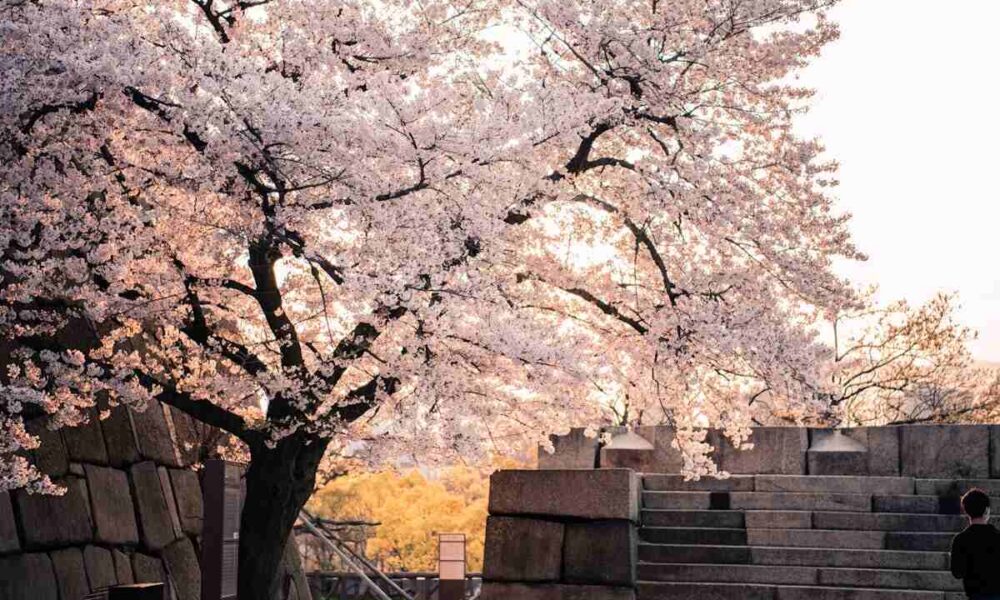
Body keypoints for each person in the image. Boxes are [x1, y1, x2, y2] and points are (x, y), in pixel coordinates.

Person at [951, 488, 1000, 599]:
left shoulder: (960, 539)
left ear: (966, 511)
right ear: (986, 510)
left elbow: (957, 572)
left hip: (974, 594)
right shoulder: (998, 537)